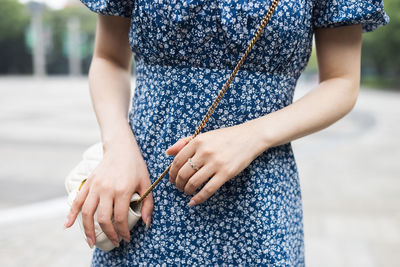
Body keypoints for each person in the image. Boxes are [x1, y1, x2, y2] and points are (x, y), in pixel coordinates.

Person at [64, 0, 389, 265]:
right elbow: (109, 59)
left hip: (257, 196)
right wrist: (118, 146)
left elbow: (342, 82)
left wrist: (251, 136)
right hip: (144, 184)